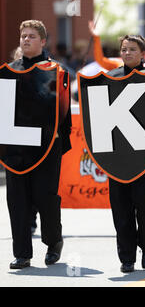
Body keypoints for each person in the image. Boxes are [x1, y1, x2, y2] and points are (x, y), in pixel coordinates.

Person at [6, 20, 72, 269]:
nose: (25, 40)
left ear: (43, 41)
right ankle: (22, 253)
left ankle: (54, 241)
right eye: (23, 35)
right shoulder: (7, 71)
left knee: (45, 198)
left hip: (47, 145)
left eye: (32, 36)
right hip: (15, 146)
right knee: (17, 200)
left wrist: (58, 141)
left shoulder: (56, 70)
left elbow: (63, 111)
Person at [106, 34, 145, 273]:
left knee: (144, 201)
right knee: (120, 204)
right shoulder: (109, 78)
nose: (127, 53)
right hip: (116, 152)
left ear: (142, 53)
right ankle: (126, 257)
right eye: (124, 49)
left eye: (132, 49)